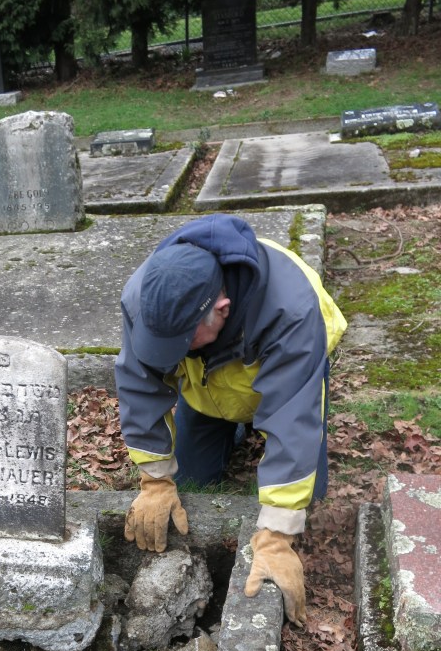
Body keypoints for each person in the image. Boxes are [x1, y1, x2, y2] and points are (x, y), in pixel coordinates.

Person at [115, 213, 347, 627]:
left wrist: (277, 535)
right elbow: (140, 383)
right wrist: (154, 479)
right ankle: (231, 426)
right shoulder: (148, 297)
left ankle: (252, 424)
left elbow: (294, 416)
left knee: (308, 493)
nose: (170, 352)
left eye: (180, 343)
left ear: (222, 309)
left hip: (287, 369)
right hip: (208, 390)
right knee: (193, 482)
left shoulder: (289, 311)